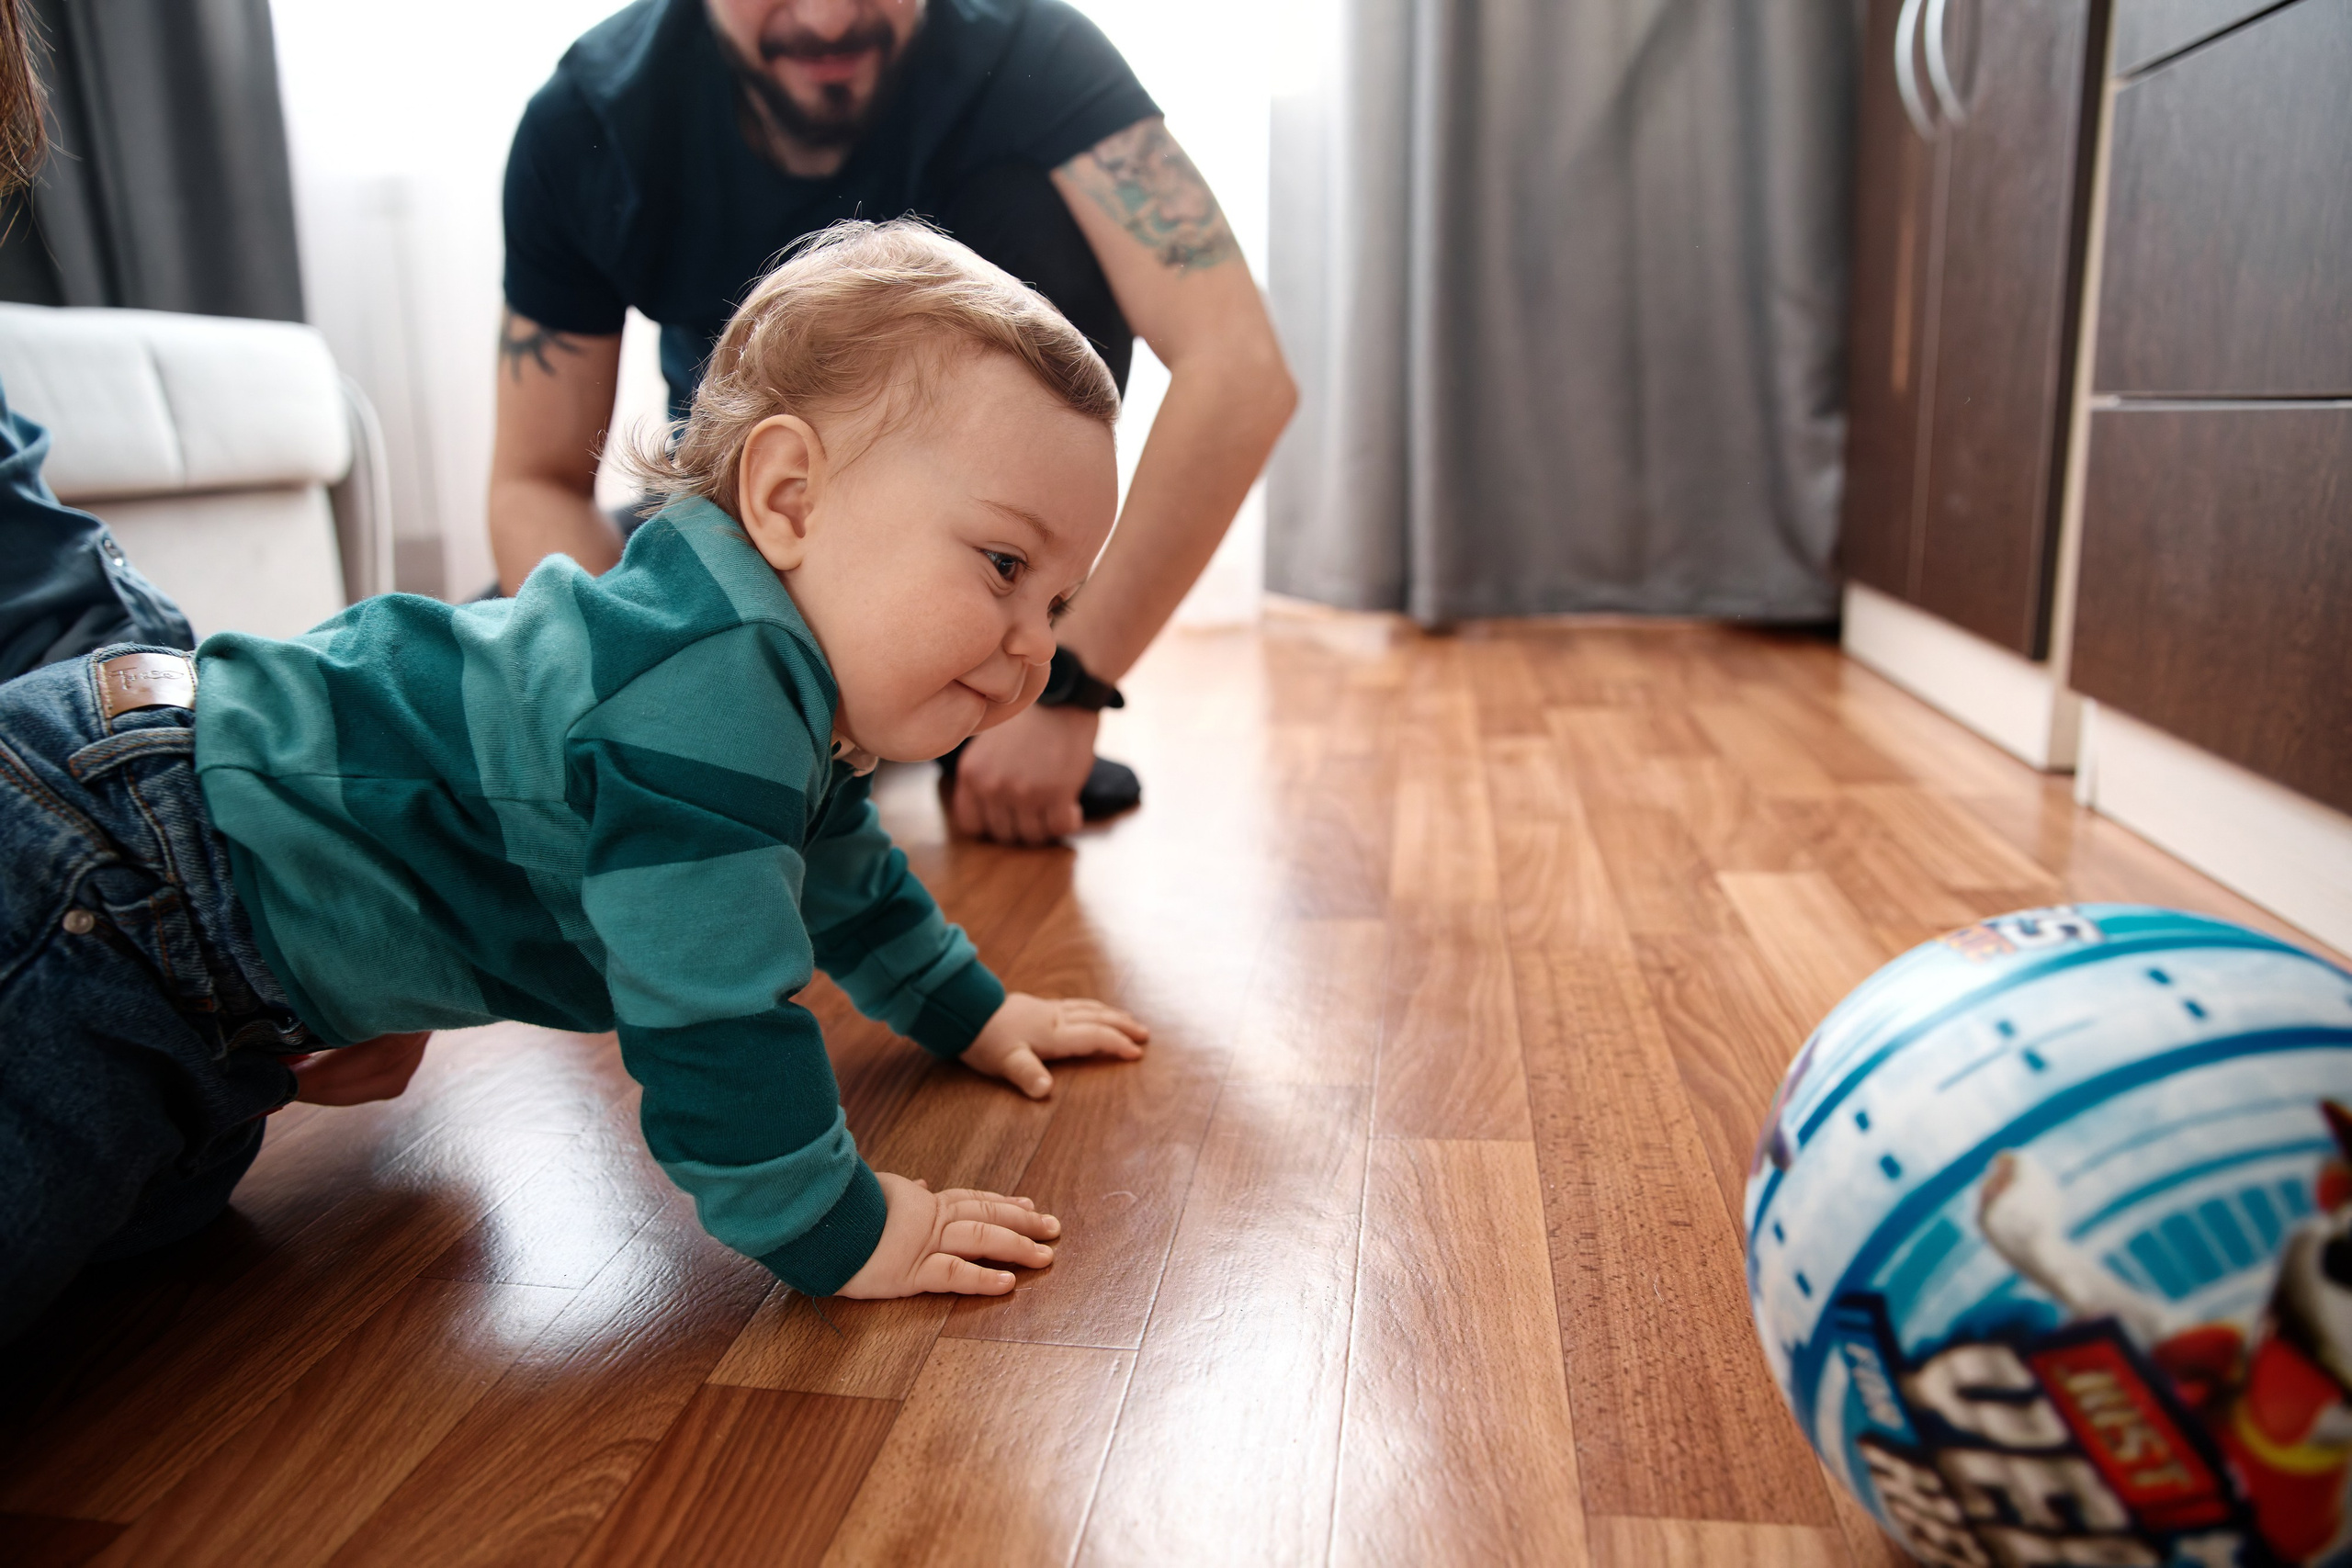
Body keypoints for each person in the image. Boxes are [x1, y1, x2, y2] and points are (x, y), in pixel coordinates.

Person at [0, 220, 1152, 1340]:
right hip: (121, 869)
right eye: (1004, 564)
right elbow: (712, 1015)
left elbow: (841, 871)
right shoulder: (703, 693)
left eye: (1054, 601)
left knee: (150, 1234)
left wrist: (972, 1010)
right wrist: (842, 1229)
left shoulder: (762, 673)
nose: (1033, 648)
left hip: (177, 912)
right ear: (790, 497)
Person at [492, 0, 1295, 845]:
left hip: (974, 615)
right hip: (737, 584)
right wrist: (645, 707)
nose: (832, 18)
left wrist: (1068, 686)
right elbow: (534, 479)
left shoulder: (1039, 57)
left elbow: (1238, 370)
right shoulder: (590, 118)